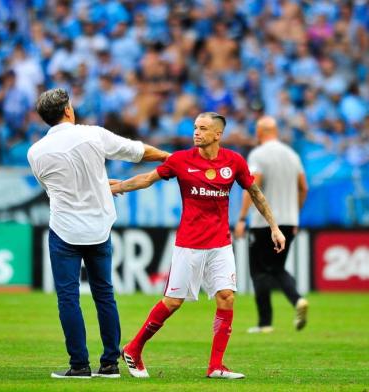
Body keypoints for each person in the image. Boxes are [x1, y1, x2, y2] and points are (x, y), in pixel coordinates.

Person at [110, 112, 286, 379]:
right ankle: (133, 348)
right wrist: (118, 186)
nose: (196, 132)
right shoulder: (180, 160)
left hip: (220, 244)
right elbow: (147, 179)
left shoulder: (234, 161)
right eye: (195, 127)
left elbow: (255, 193)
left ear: (218, 134)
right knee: (172, 302)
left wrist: (274, 227)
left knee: (227, 297)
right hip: (189, 245)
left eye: (203, 129)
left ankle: (216, 366)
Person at [27, 88, 169, 379]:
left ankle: (79, 365)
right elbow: (138, 151)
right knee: (105, 295)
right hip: (98, 229)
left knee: (68, 298)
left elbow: (56, 190)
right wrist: (173, 158)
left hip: (64, 230)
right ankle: (109, 364)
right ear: (68, 110)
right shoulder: (93, 135)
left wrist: (96, 185)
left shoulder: (35, 152)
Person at [234, 116, 309, 334]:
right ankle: (297, 300)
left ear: (259, 132)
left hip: (263, 223)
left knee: (259, 271)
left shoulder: (259, 154)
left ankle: (265, 323)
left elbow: (253, 187)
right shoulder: (292, 155)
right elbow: (304, 187)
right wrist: (295, 214)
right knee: (277, 268)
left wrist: (241, 218)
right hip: (289, 222)